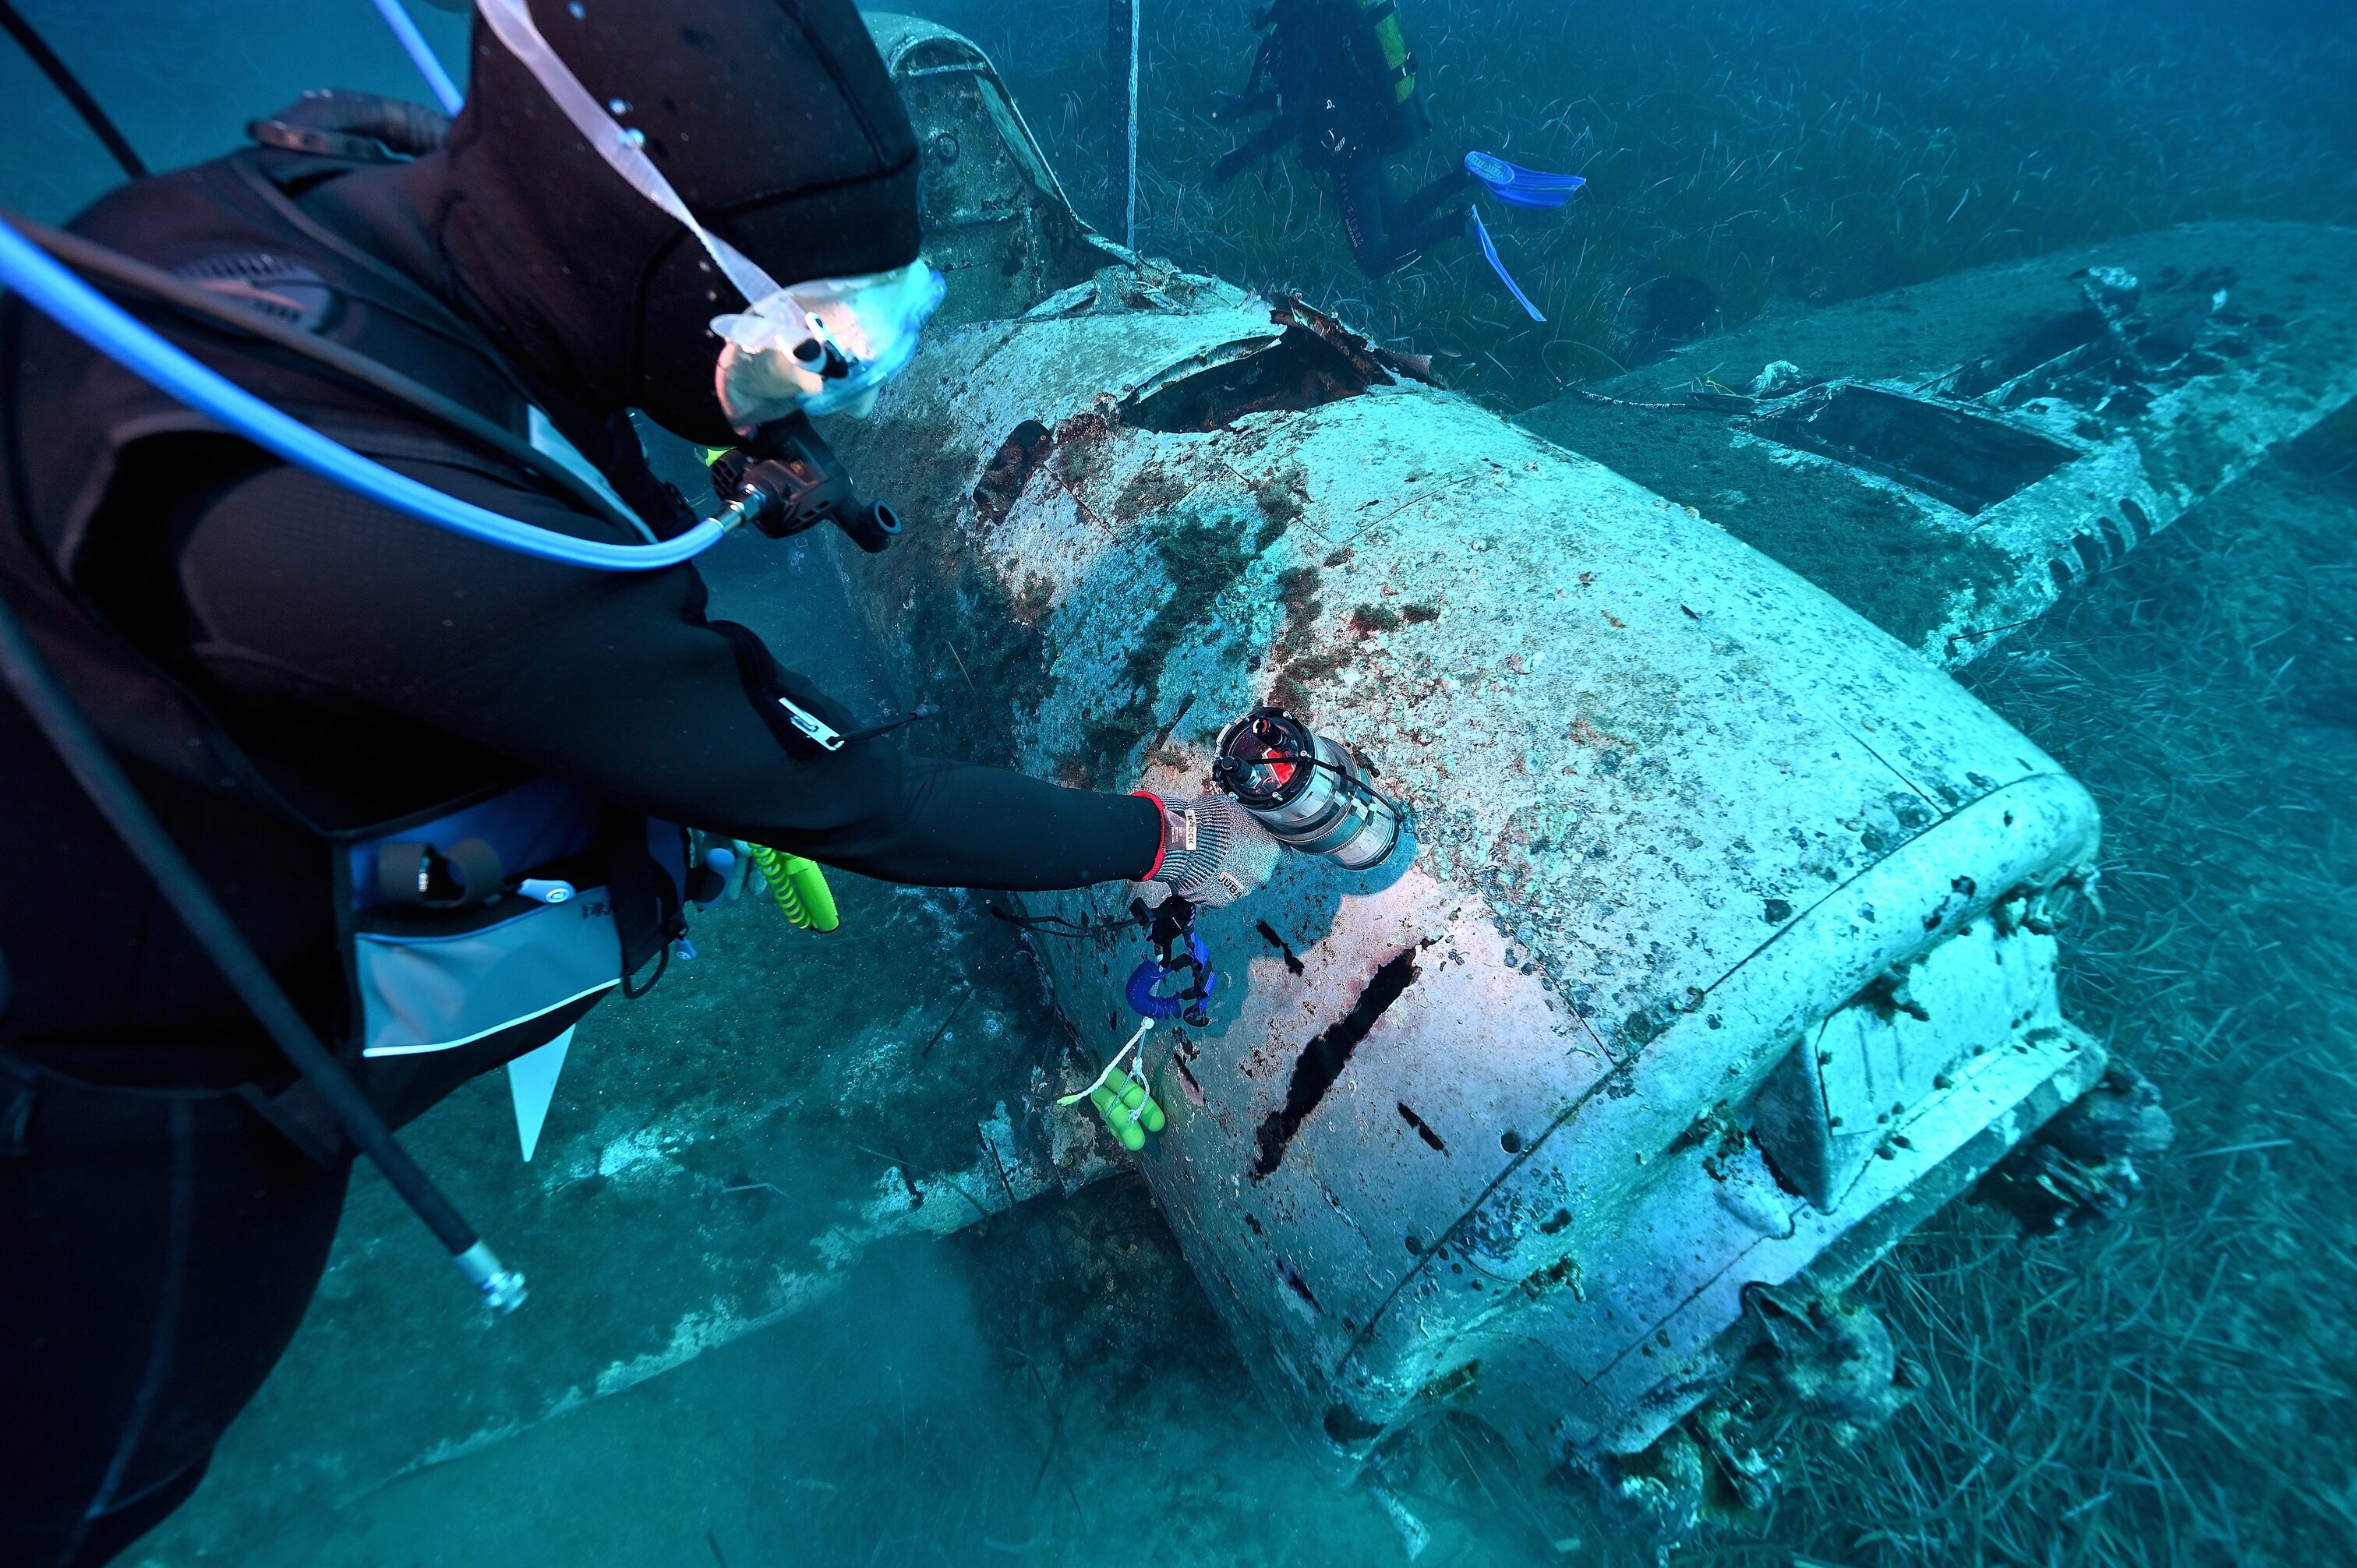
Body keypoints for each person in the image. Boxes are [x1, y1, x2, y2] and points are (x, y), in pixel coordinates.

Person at [0, 4, 1272, 1563]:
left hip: (143, 851)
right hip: (132, 1125)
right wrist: (1159, 835)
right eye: (826, 345)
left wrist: (700, 463)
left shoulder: (321, 212)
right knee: (82, 1485)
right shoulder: (399, 541)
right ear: (649, 270)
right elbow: (846, 799)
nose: (844, 390)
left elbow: (523, 387)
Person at [1210, 0, 1583, 309]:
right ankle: (1464, 174)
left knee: (1373, 260)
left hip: (1348, 156)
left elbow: (1292, 117)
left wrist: (1238, 158)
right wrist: (1244, 106)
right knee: (1399, 219)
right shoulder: (1318, 21)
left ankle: (1457, 224)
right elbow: (1302, 94)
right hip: (1365, 140)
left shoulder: (1296, 35)